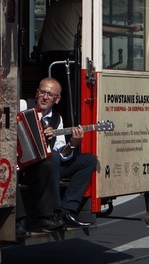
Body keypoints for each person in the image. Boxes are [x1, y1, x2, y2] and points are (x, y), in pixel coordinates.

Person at [17, 77, 96, 235]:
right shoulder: (23, 105)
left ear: (57, 99)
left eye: (50, 95)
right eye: (42, 92)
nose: (45, 97)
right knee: (51, 159)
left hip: (46, 165)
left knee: (89, 160)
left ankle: (67, 211)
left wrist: (73, 143)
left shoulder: (57, 119)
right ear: (37, 92)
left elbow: (62, 153)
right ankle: (52, 212)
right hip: (23, 164)